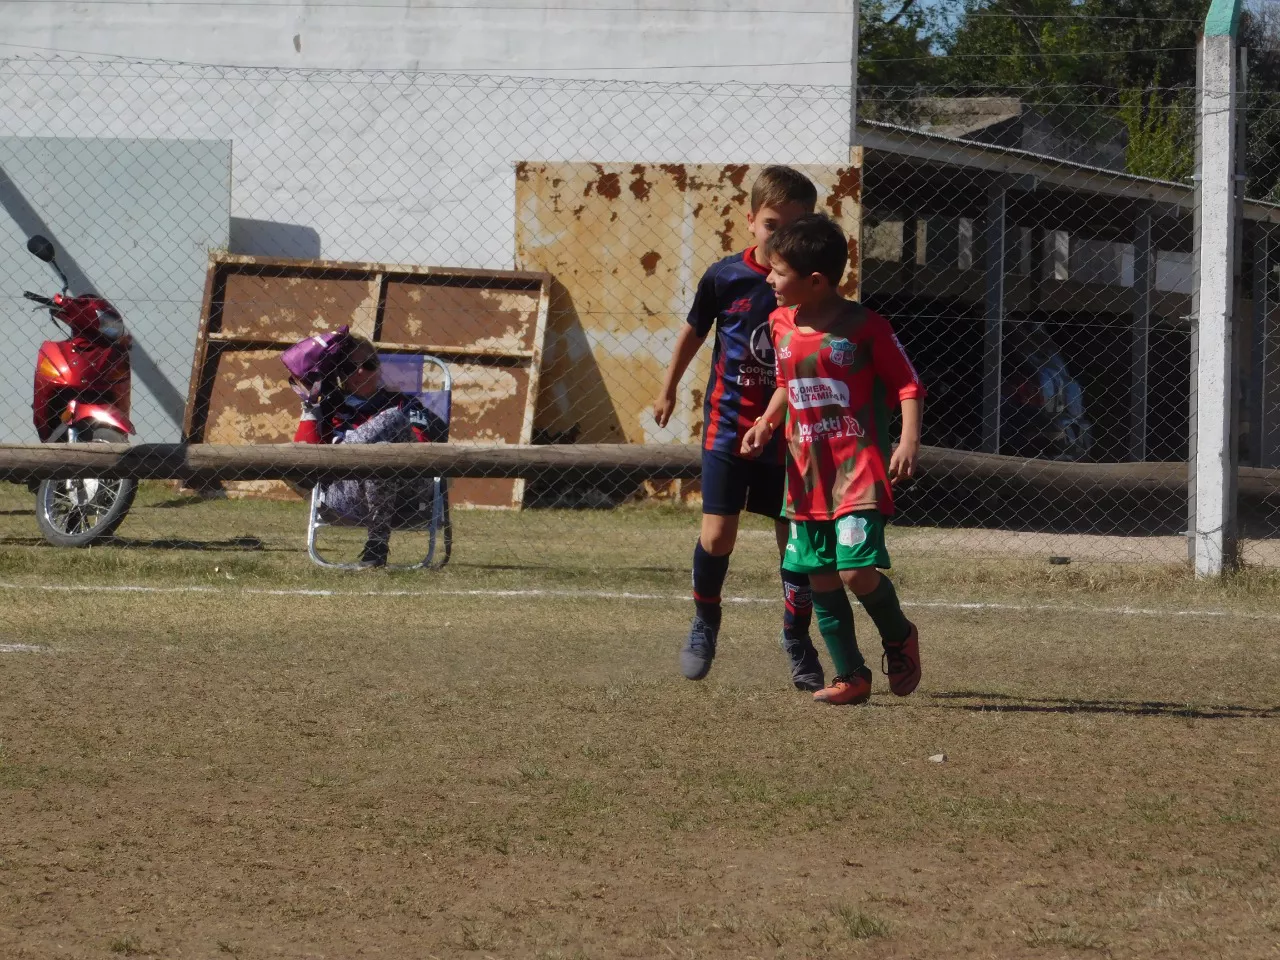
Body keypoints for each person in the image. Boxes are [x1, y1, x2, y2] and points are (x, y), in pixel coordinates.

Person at [741, 214, 925, 705]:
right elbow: (787, 384)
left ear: (817, 281)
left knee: (855, 573)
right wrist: (767, 422)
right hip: (805, 478)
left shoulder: (865, 327)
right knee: (820, 576)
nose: (769, 279)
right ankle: (851, 676)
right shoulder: (779, 324)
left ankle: (899, 635)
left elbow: (908, 385)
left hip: (857, 471)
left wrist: (907, 441)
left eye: (779, 272)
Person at [653, 165, 825, 690]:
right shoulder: (724, 277)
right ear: (750, 220)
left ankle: (797, 638)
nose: (780, 237)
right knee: (717, 534)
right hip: (729, 426)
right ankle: (705, 620)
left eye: (793, 228)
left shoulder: (812, 284)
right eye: (771, 225)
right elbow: (692, 332)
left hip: (791, 434)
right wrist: (667, 388)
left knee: (794, 543)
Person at [293, 336, 444, 567]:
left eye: (369, 364)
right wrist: (310, 408)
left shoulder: (403, 403)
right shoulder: (329, 406)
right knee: (380, 452)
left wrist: (354, 445)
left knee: (392, 421)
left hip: (407, 492)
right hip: (347, 492)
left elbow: (421, 450)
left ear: (378, 368)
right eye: (350, 367)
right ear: (340, 373)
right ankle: (377, 544)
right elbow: (303, 460)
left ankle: (346, 448)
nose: (361, 372)